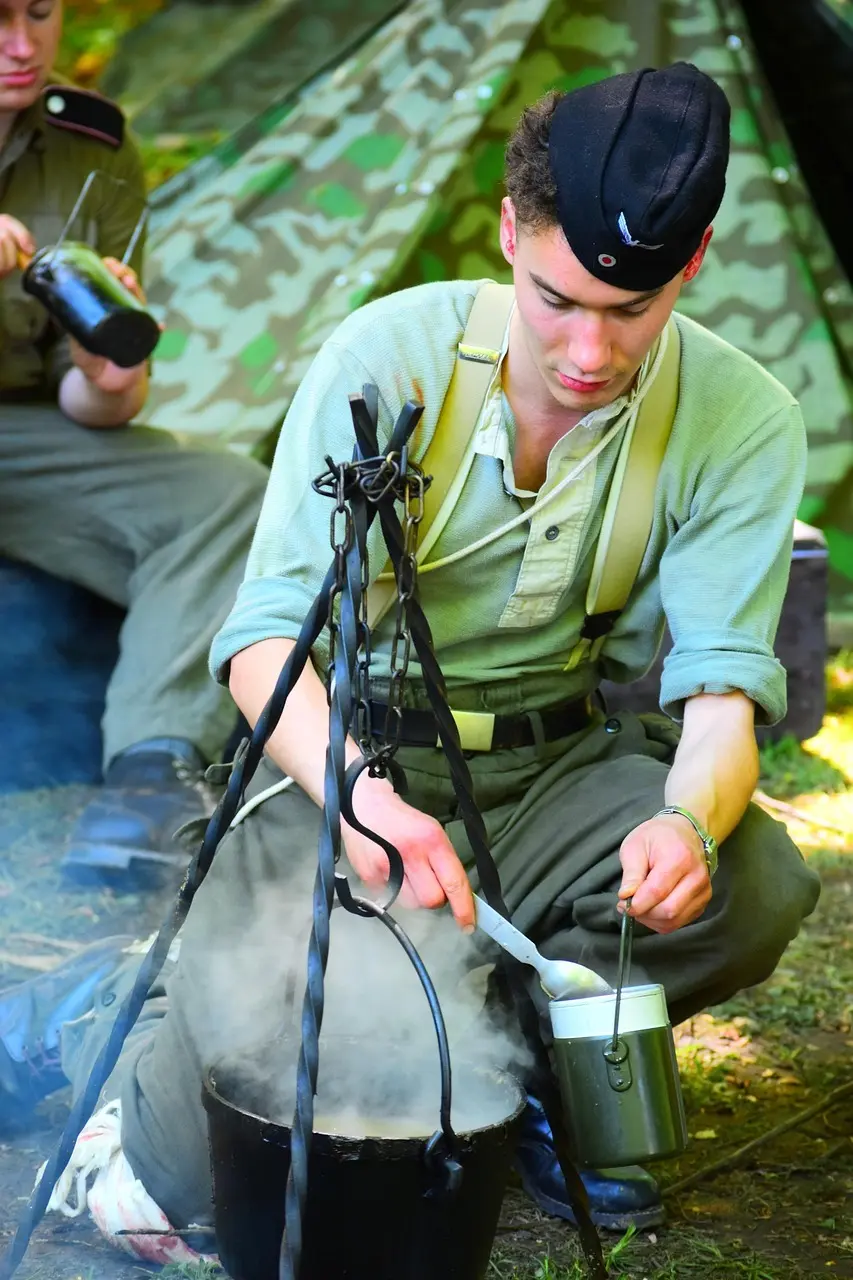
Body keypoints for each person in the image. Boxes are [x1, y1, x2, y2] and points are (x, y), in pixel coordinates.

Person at [0, 62, 821, 1258]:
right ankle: (96, 1013)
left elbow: (718, 695)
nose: (588, 349)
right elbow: (260, 643)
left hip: (554, 768)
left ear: (689, 268)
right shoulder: (389, 356)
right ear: (508, 232)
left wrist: (688, 825)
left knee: (757, 882)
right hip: (343, 756)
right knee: (193, 1154)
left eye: (628, 310)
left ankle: (497, 1065)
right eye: (554, 299)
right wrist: (362, 804)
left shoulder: (740, 417)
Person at [0, 0, 268, 885]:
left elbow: (90, 404)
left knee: (223, 494)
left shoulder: (93, 145)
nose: (23, 45)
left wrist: (107, 376)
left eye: (41, 13)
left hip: (22, 437)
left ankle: (148, 788)